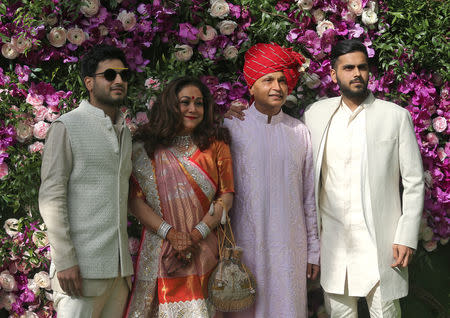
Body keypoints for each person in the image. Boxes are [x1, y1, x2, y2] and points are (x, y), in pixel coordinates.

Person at [302, 39, 424, 317]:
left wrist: (406, 235)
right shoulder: (315, 115)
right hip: (335, 245)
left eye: (362, 67)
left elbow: (414, 182)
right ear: (333, 74)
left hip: (382, 245)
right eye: (348, 68)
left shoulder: (395, 117)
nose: (356, 73)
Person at [223, 43, 320, 318]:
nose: (277, 86)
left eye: (282, 80)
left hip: (290, 247)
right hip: (243, 245)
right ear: (251, 87)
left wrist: (313, 250)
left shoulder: (299, 131)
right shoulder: (231, 126)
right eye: (268, 79)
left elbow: (309, 196)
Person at [124, 76, 234, 317]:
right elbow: (135, 201)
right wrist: (171, 234)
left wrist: (195, 235)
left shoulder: (216, 144)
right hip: (160, 248)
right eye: (185, 102)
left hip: (203, 249)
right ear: (171, 105)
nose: (193, 109)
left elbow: (226, 197)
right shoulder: (145, 147)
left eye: (199, 103)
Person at [39, 45, 134, 317]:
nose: (118, 80)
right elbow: (51, 197)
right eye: (110, 75)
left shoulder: (125, 132)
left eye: (123, 75)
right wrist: (65, 260)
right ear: (89, 82)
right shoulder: (67, 126)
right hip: (79, 274)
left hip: (118, 275)